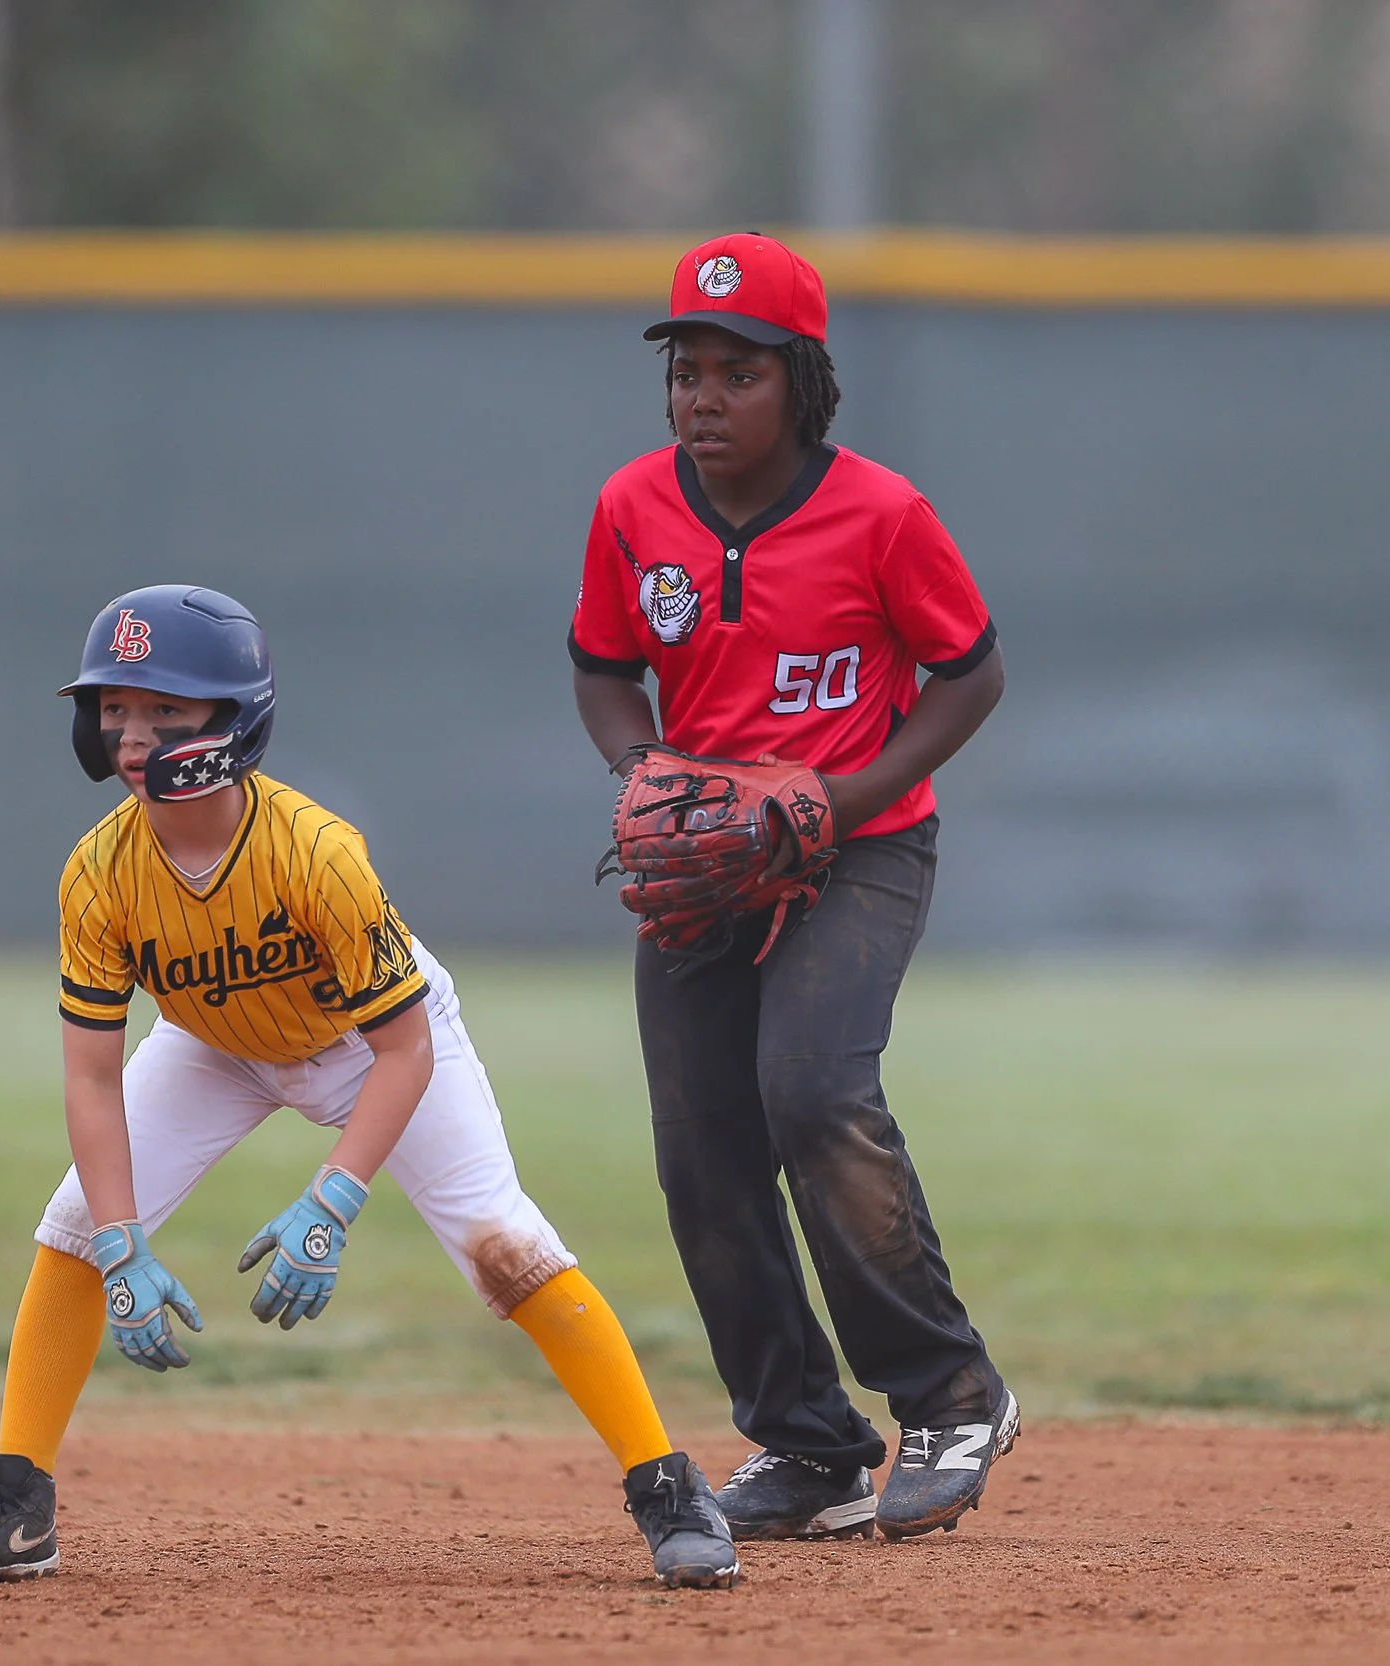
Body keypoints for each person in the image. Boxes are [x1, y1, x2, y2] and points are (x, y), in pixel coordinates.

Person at [0, 584, 736, 1590]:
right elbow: (90, 1073)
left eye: (166, 711)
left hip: (368, 1040)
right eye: (115, 707)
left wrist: (333, 1198)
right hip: (211, 1041)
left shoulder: (316, 853)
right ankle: (16, 1507)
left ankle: (668, 1486)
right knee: (73, 1229)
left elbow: (406, 1052)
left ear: (234, 722)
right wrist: (120, 1239)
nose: (130, 732)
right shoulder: (99, 873)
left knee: (503, 1244)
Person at [567, 234, 1017, 1543]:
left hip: (861, 843)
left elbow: (972, 676)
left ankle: (950, 1392)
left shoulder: (880, 513)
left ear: (803, 382)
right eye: (686, 372)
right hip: (705, 851)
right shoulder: (632, 509)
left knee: (812, 1089)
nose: (703, 398)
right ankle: (809, 1442)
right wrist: (642, 766)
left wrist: (841, 798)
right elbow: (604, 664)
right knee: (702, 1148)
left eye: (738, 373)